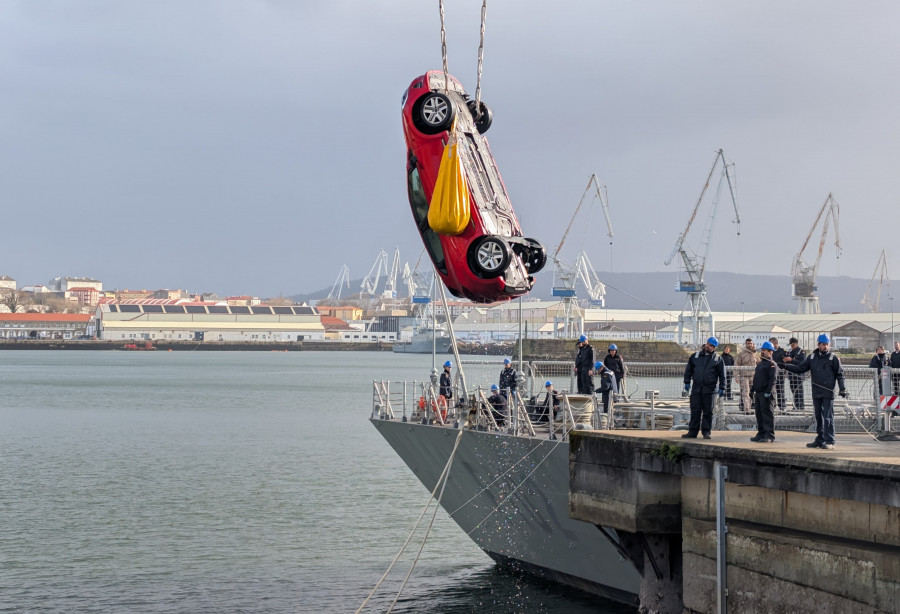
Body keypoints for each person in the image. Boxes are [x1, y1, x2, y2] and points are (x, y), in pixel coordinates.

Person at [782, 334, 846, 450]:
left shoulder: (833, 358)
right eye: (823, 345)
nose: (825, 347)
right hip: (816, 392)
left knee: (828, 417)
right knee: (818, 416)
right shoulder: (812, 357)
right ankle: (820, 439)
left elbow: (840, 375)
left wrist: (842, 388)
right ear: (818, 345)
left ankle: (830, 440)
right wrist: (786, 366)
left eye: (827, 345)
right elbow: (800, 369)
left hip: (828, 392)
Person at [681, 336, 726, 440]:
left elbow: (722, 375)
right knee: (695, 411)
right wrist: (687, 382)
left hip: (710, 390)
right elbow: (688, 370)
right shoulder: (695, 356)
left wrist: (722, 387)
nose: (709, 346)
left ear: (714, 348)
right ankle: (692, 432)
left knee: (708, 411)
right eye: (708, 344)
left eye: (711, 346)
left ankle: (706, 432)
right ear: (706, 343)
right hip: (696, 389)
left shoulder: (718, 359)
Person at [749, 341, 778, 442]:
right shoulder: (760, 364)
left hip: (767, 393)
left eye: (764, 350)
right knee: (759, 414)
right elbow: (756, 378)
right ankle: (761, 433)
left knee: (767, 415)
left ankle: (769, 435)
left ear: (770, 352)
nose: (762, 352)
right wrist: (752, 390)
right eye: (762, 350)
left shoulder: (772, 364)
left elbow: (773, 380)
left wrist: (768, 392)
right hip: (759, 393)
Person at [735, 338, 759, 413]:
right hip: (744, 376)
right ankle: (746, 408)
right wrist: (736, 376)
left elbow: (759, 363)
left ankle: (750, 406)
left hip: (753, 376)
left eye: (750, 343)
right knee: (745, 392)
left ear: (753, 344)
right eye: (748, 343)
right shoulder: (741, 354)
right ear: (745, 344)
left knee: (752, 392)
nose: (749, 345)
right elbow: (736, 364)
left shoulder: (755, 353)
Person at [782, 337, 806, 409]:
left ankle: (800, 406)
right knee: (793, 390)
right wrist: (785, 360)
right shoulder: (789, 352)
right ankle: (795, 405)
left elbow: (802, 363)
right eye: (791, 345)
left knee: (799, 391)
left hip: (799, 375)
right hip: (791, 375)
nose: (792, 346)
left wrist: (791, 360)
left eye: (793, 345)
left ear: (796, 344)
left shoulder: (801, 352)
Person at [769, 337, 787, 411]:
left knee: (780, 389)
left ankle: (782, 405)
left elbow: (785, 362)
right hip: (771, 373)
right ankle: (772, 404)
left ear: (776, 343)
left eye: (771, 343)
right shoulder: (770, 351)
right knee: (771, 389)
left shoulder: (782, 351)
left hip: (780, 373)